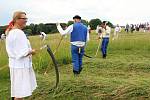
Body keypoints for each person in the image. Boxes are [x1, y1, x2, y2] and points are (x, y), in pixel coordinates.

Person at [5, 11, 37, 100]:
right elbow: (23, 52)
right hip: (20, 66)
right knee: (19, 94)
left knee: (19, 91)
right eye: (24, 19)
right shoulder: (18, 33)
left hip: (15, 65)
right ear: (16, 20)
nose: (26, 21)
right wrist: (32, 51)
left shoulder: (11, 32)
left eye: (26, 18)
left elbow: (16, 50)